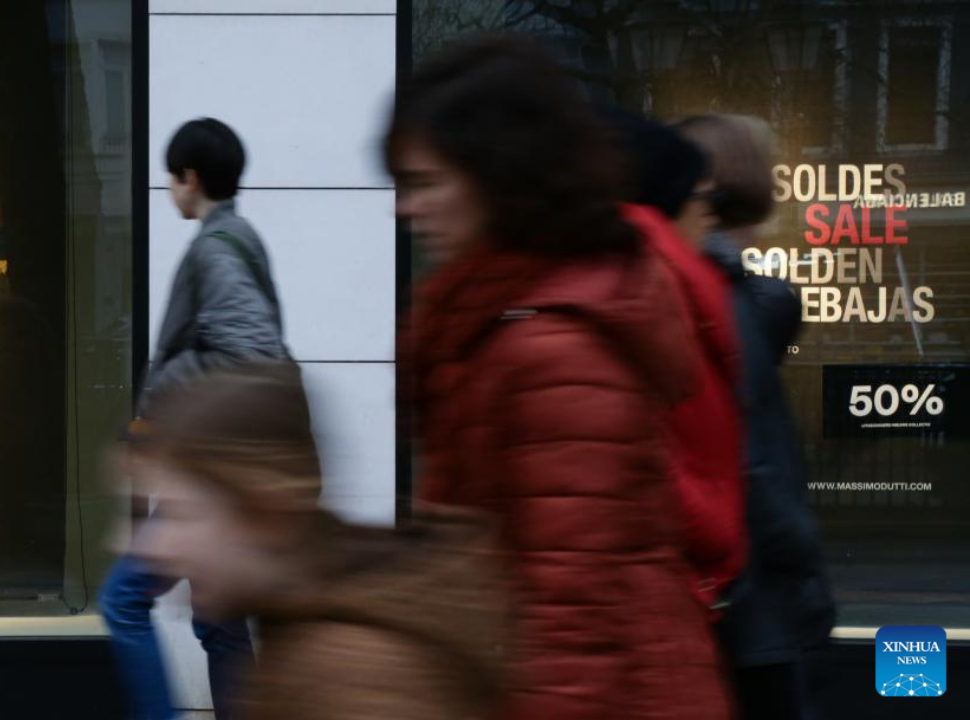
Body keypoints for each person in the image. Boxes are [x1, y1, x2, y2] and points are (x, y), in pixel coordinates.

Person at [392, 37, 729, 720]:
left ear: (498, 179)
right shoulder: (492, 318)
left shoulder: (556, 347)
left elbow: (569, 626)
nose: (405, 208)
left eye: (425, 183)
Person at [126, 362, 505, 720]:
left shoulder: (348, 675)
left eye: (180, 514)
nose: (154, 547)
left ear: (263, 514)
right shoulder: (303, 630)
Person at [102, 118, 285, 720]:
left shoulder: (216, 249)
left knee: (122, 602)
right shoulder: (240, 238)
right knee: (220, 625)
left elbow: (251, 353)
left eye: (171, 178)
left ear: (192, 178)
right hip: (228, 476)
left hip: (212, 482)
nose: (168, 189)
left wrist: (159, 400)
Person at [677, 113, 836, 720]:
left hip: (720, 602)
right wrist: (802, 560)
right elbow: (754, 463)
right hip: (757, 601)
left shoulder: (711, 295)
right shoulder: (729, 299)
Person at [615, 114, 747, 614]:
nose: (709, 217)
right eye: (701, 199)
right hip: (669, 595)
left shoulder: (679, 298)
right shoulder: (658, 304)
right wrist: (716, 533)